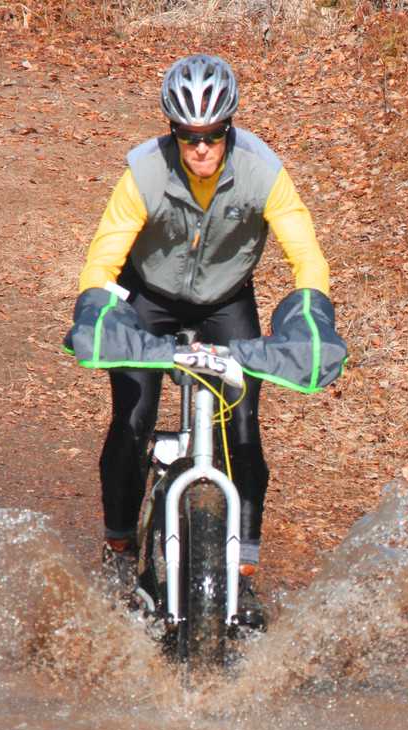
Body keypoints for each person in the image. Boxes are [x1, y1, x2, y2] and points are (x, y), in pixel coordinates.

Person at [76, 53, 330, 629]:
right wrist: (97, 307)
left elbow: (305, 254)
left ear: (228, 129)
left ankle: (245, 566)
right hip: (150, 297)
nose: (201, 150)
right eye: (188, 137)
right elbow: (103, 257)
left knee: (242, 433)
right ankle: (119, 546)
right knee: (133, 422)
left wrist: (312, 312)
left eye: (213, 136)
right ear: (173, 132)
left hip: (225, 302)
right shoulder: (142, 173)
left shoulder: (263, 171)